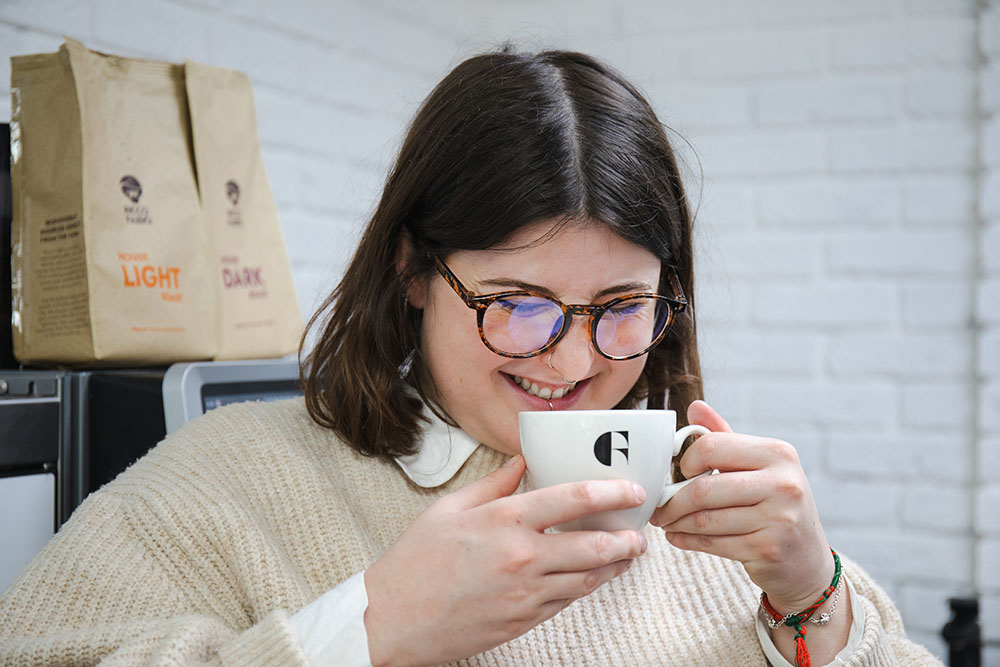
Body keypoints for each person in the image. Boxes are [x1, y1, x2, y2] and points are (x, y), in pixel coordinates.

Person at [0, 48, 939, 667]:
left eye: (620, 308)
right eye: (520, 306)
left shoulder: (705, 514)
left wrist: (813, 589)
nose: (572, 360)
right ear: (412, 270)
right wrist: (370, 629)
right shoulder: (229, 481)